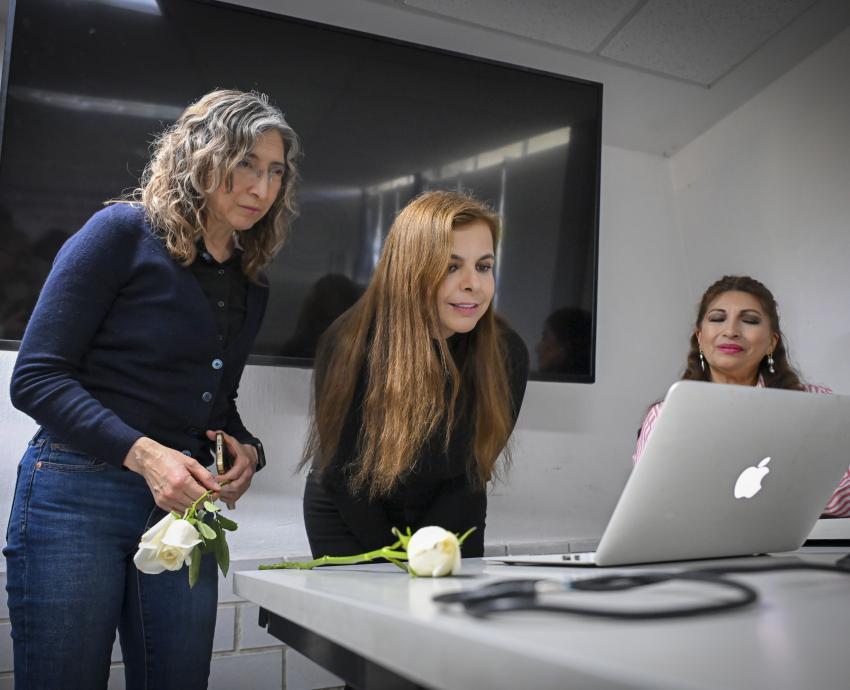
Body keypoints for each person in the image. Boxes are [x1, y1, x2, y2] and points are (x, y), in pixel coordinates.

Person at [5, 89, 300, 689]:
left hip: (179, 506)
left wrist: (245, 448)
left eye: (274, 172)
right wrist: (146, 455)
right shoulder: (120, 232)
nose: (261, 188)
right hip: (74, 493)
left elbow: (215, 401)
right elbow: (36, 377)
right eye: (244, 163)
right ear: (199, 156)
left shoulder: (250, 281)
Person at [301, 190, 529, 559]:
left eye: (483, 266)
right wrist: (397, 561)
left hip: (453, 504)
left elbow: (470, 470)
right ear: (411, 269)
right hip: (351, 507)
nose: (473, 284)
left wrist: (426, 556)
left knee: (441, 612)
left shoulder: (508, 354)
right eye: (452, 266)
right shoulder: (348, 343)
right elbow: (344, 473)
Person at [633, 275, 850, 517]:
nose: (731, 331)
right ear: (699, 338)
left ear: (771, 342)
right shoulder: (665, 415)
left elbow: (845, 496)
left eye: (749, 320)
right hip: (696, 547)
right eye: (717, 319)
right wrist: (797, 485)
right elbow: (650, 505)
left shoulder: (816, 405)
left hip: (797, 547)